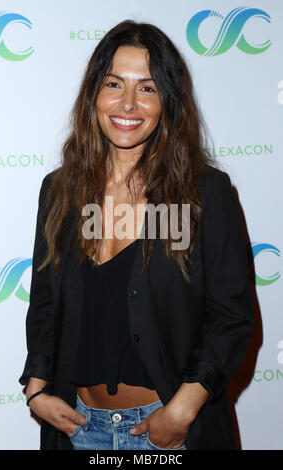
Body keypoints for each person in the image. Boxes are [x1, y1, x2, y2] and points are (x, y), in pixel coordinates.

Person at [19, 20, 254, 451]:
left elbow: (231, 318)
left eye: (147, 88)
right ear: (94, 94)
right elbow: (46, 304)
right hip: (76, 429)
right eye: (114, 84)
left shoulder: (202, 193)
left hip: (166, 433)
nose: (128, 103)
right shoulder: (60, 191)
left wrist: (181, 412)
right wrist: (36, 390)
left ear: (167, 101)